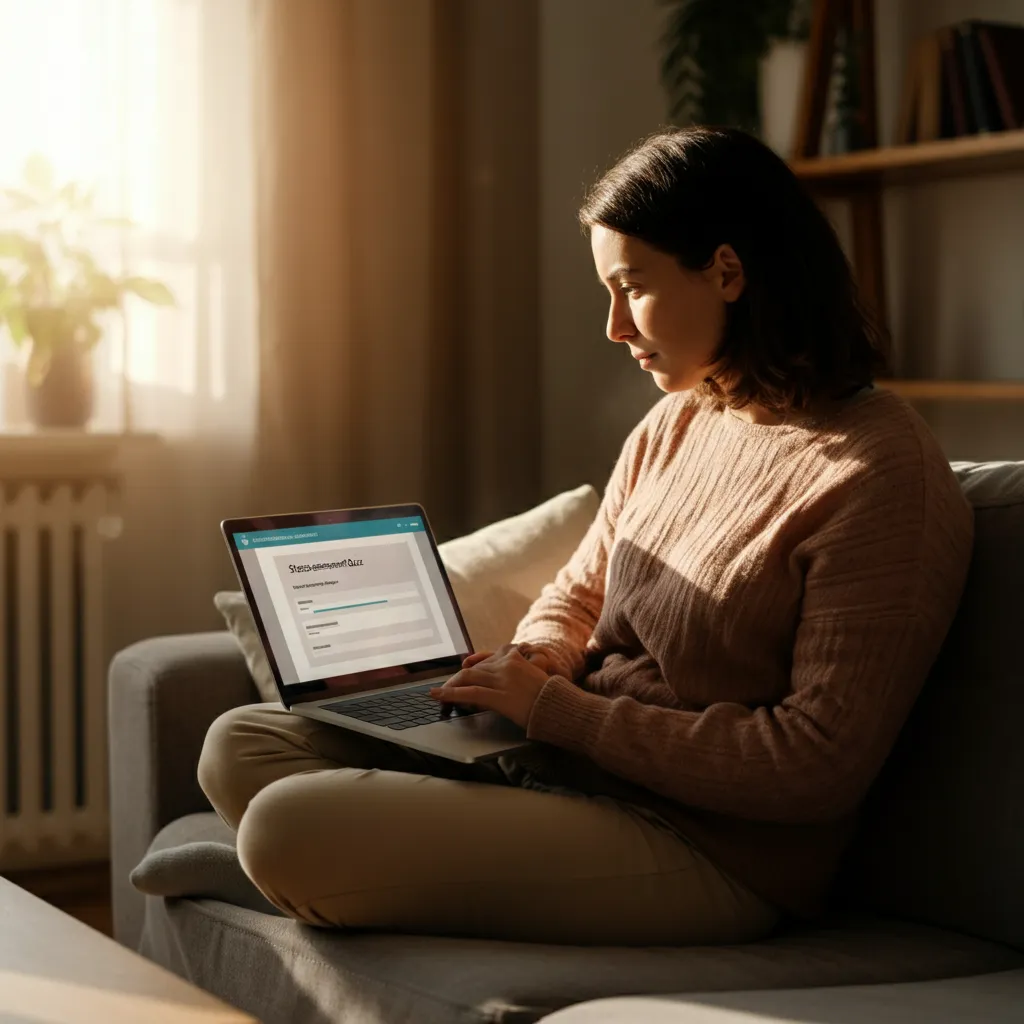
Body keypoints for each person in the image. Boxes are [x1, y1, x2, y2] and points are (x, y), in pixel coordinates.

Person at [198, 126, 973, 946]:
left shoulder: (882, 473)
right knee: (241, 745)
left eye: (631, 287)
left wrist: (558, 714)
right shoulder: (679, 421)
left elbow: (813, 765)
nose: (612, 327)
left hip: (711, 846)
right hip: (572, 770)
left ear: (728, 271)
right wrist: (534, 660)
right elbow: (580, 589)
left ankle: (360, 874)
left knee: (288, 828)